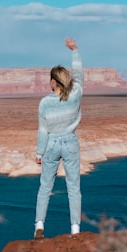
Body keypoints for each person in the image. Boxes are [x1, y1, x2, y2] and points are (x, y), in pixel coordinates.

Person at [34, 37, 83, 239]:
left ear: (53, 82)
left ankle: (39, 226)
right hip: (70, 142)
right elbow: (79, 75)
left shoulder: (45, 103)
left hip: (52, 144)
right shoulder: (76, 94)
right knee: (74, 188)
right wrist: (75, 50)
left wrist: (39, 153)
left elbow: (43, 131)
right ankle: (75, 230)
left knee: (45, 187)